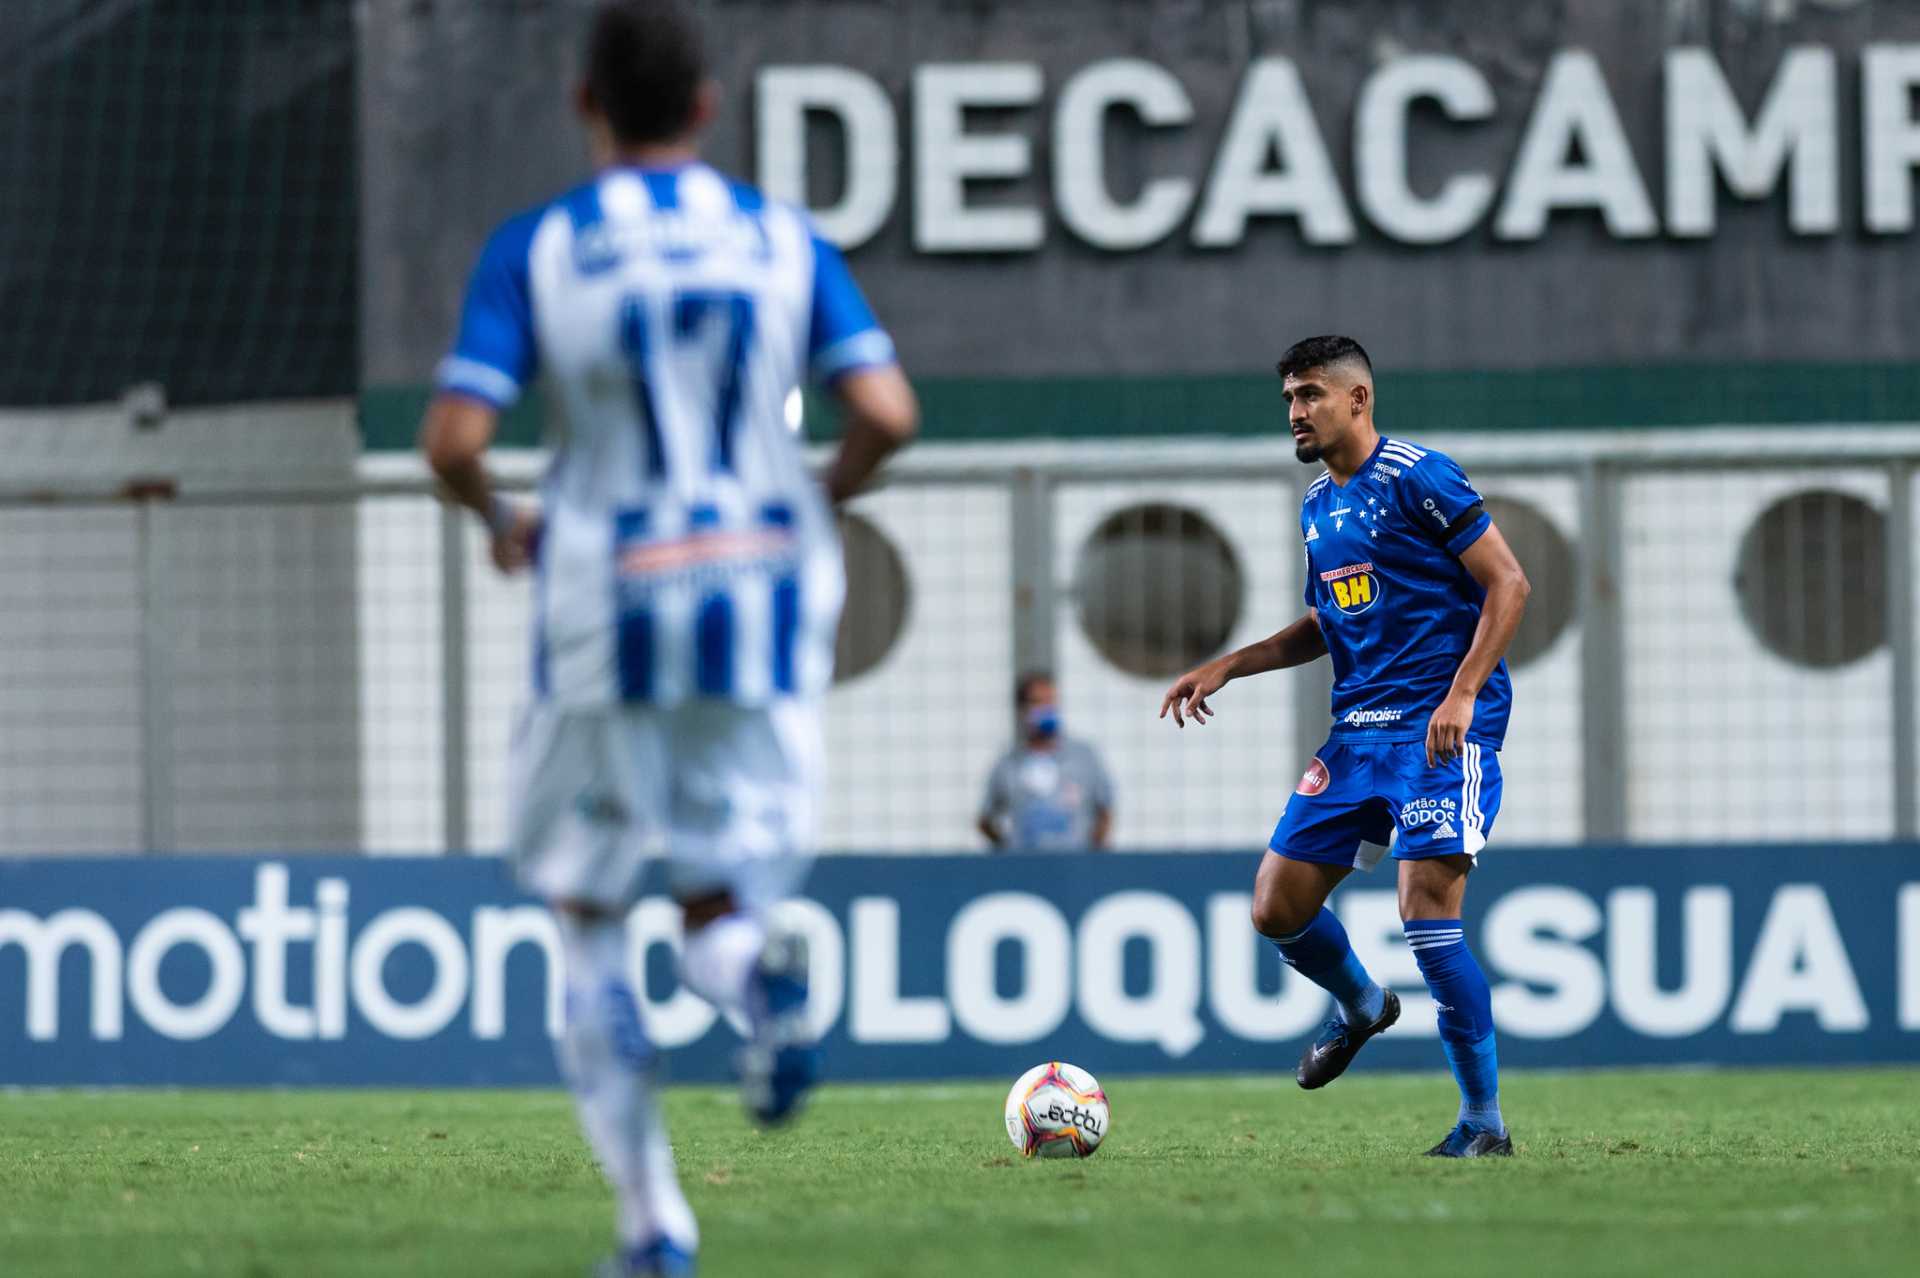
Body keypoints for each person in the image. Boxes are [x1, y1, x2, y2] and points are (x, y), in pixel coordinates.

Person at [420, 3, 918, 1272]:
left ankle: (654, 1227)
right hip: (756, 601)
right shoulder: (780, 238)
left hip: (605, 603)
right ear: (706, 107)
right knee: (716, 891)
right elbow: (887, 413)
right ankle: (758, 980)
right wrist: (819, 493)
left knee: (586, 909)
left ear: (587, 103)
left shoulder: (540, 249)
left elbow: (456, 442)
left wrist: (501, 519)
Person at [1158, 335, 1529, 1158]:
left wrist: (1463, 691)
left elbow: (1509, 582)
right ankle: (1363, 1005)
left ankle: (1483, 1124)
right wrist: (1230, 665)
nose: (1295, 413)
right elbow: (1330, 620)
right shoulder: (1319, 504)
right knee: (1275, 906)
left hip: (1436, 731)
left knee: (1425, 916)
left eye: (1310, 395)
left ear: (1358, 399)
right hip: (1357, 733)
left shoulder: (1419, 476)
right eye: (1289, 398)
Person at [977, 672, 1114, 852]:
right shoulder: (1008, 764)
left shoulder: (1083, 757)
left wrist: (1092, 855)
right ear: (1022, 709)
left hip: (1074, 866)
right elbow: (986, 819)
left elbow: (1105, 810)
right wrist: (1007, 850)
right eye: (1037, 702)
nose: (1046, 709)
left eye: (1050, 701)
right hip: (1026, 868)